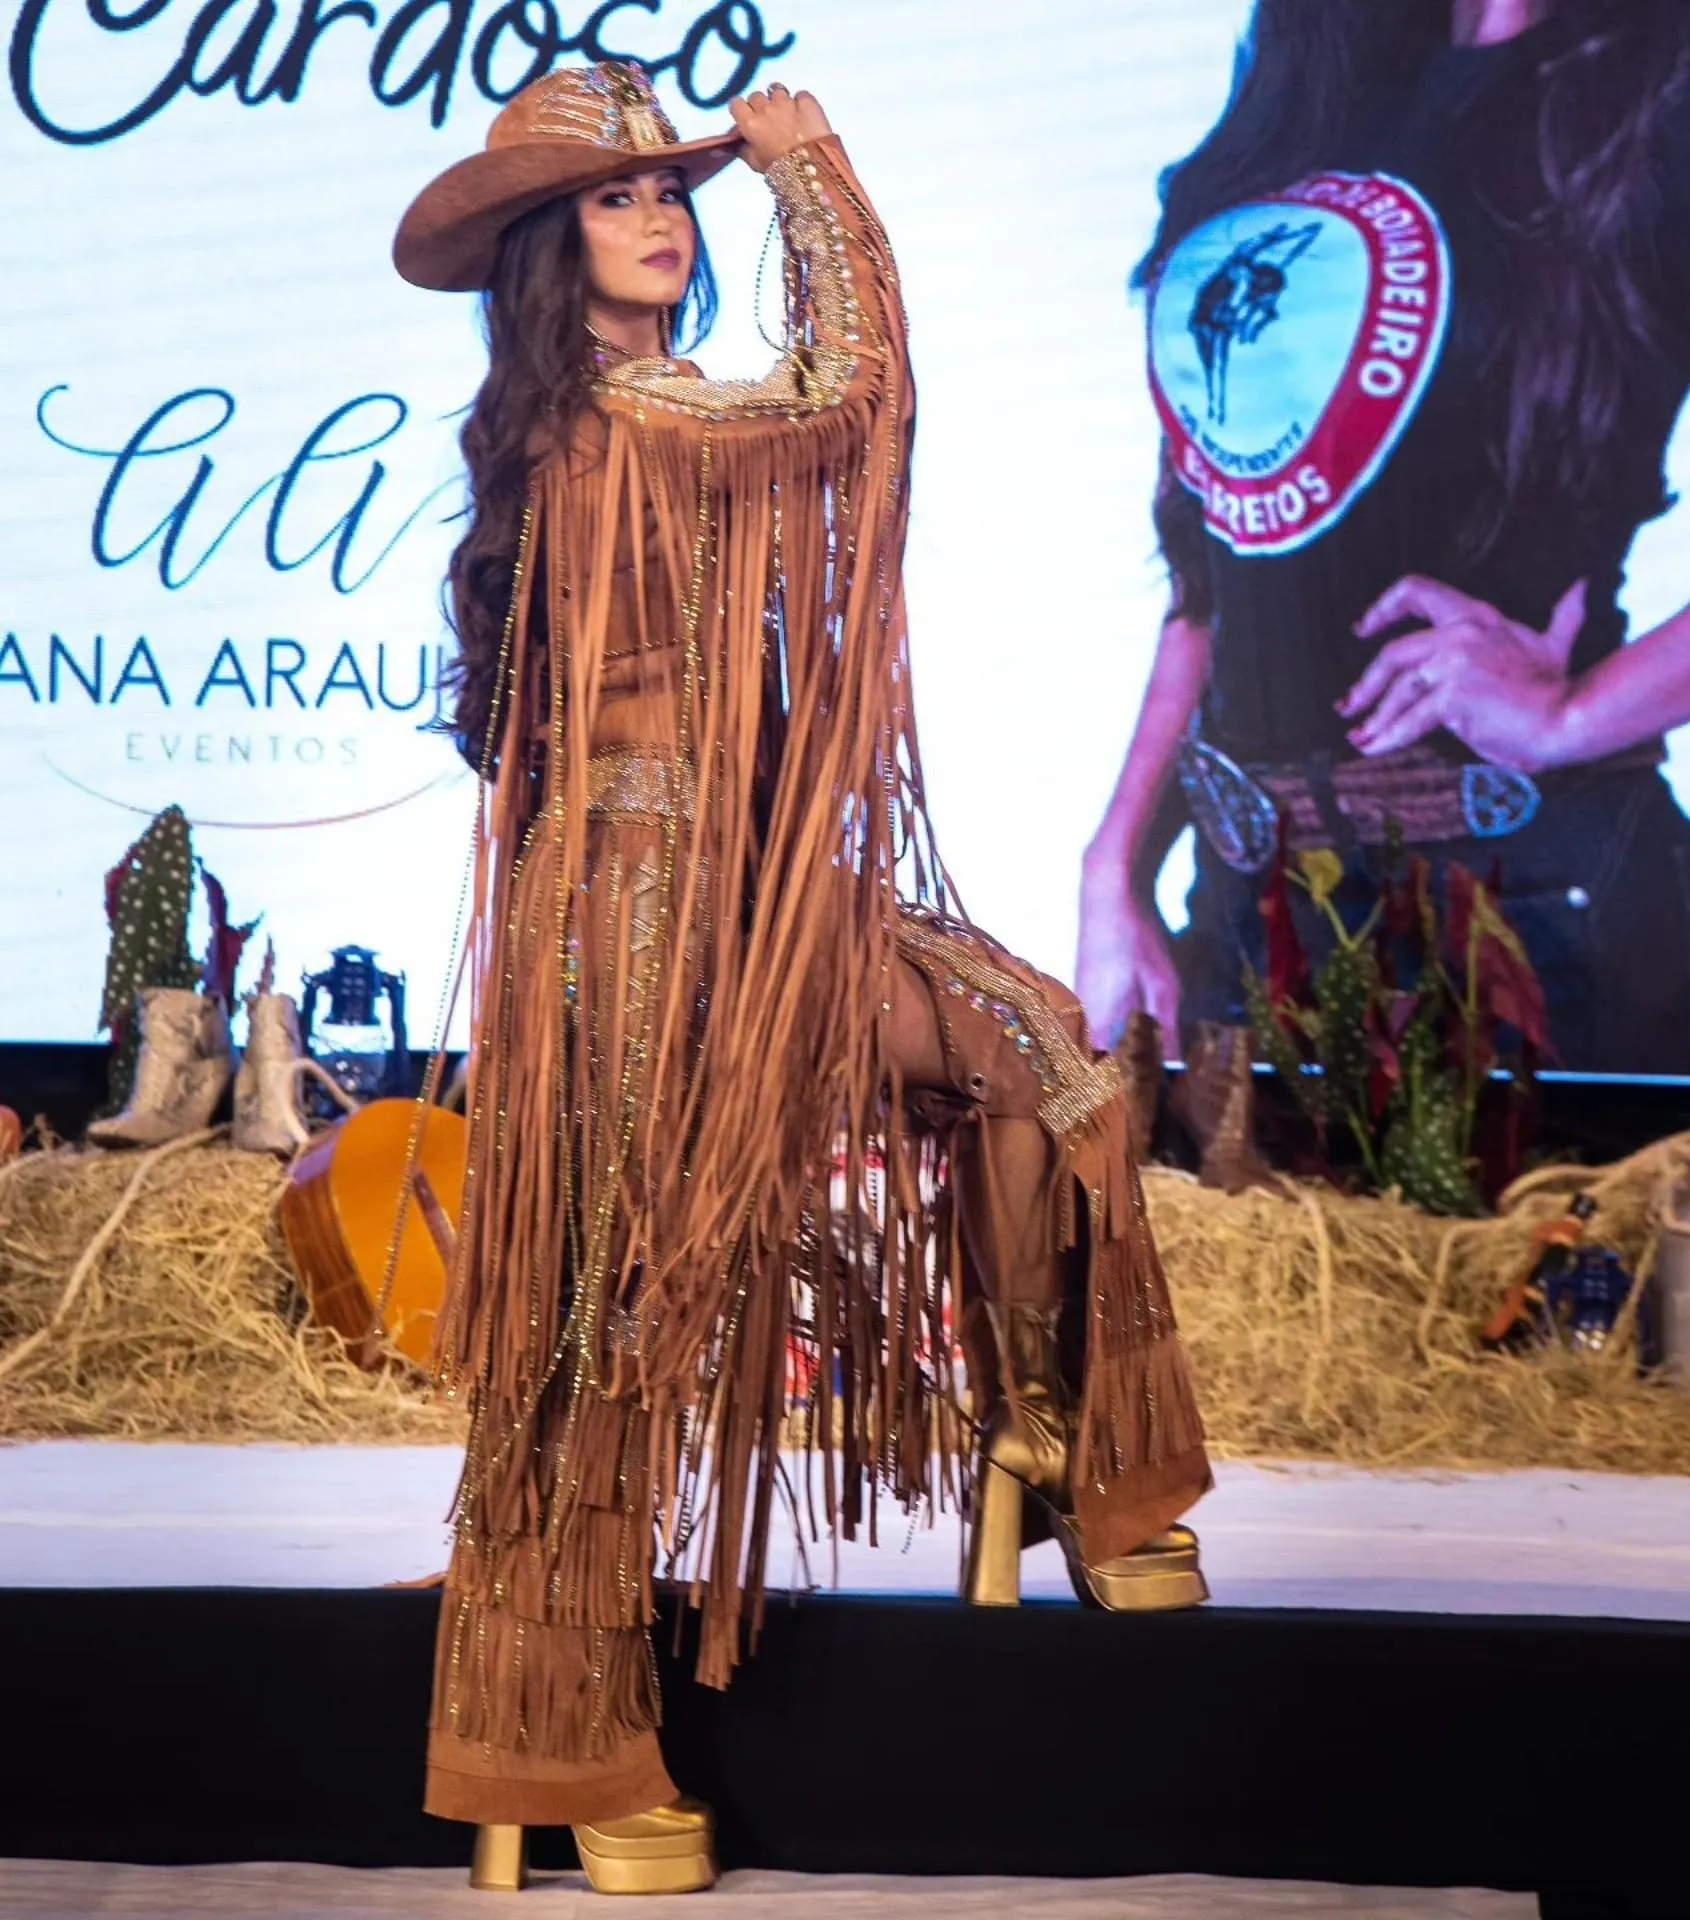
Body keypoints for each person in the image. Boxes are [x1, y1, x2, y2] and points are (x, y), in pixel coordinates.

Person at [391, 63, 1212, 1896]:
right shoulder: (615, 416)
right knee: (608, 1308)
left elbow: (836, 424)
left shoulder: (660, 409)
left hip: (768, 913)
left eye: (677, 188)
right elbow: (853, 397)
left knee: (1039, 1052)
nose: (665, 213)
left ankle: (1055, 1435)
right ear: (545, 248)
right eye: (621, 197)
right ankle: (563, 1740)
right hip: (624, 930)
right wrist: (807, 171)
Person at [1076, 0, 1690, 1077]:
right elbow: (1223, 552)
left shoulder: (1686, 85)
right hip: (1250, 915)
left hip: (1530, 920)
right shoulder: (1315, 79)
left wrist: (1574, 715)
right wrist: (1117, 865)